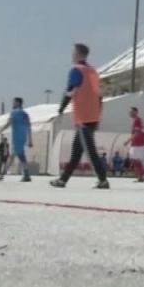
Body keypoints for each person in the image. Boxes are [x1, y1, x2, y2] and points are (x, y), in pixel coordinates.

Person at [52, 43, 110, 189]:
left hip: (83, 117)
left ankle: (103, 180)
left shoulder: (76, 70)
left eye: (73, 52)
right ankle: (63, 180)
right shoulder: (93, 72)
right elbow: (99, 96)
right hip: (92, 115)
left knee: (90, 151)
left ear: (78, 54)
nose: (72, 55)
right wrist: (98, 116)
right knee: (76, 151)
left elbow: (70, 91)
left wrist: (61, 109)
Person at [4, 97, 32, 181]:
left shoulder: (13, 112)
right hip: (22, 137)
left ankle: (3, 174)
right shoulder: (25, 114)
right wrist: (30, 139)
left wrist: (1, 130)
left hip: (16, 137)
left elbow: (9, 122)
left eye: (14, 102)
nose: (13, 104)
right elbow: (29, 127)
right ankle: (26, 174)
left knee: (17, 156)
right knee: (18, 156)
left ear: (18, 103)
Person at [123, 106, 144, 183]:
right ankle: (141, 174)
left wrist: (128, 141)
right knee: (135, 159)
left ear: (136, 112)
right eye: (130, 112)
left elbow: (137, 133)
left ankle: (142, 174)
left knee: (134, 159)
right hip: (137, 143)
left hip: (138, 144)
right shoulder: (137, 120)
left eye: (131, 111)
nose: (130, 113)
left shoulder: (137, 120)